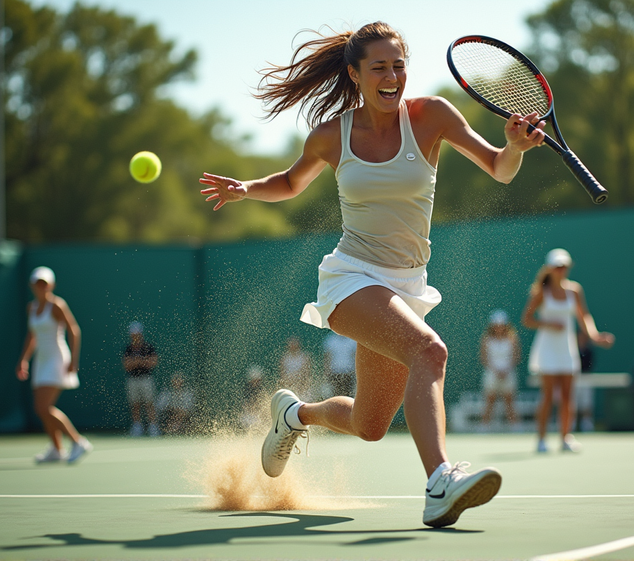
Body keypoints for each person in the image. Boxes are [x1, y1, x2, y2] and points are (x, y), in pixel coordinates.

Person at [197, 22, 545, 528]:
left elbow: (498, 167)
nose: (392, 76)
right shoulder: (331, 135)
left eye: (399, 65)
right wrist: (246, 188)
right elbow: (291, 182)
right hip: (351, 279)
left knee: (370, 424)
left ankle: (295, 415)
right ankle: (439, 482)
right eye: (379, 67)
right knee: (431, 351)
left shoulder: (432, 117)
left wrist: (513, 146)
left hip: (407, 284)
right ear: (355, 74)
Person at [522, 248, 614, 453]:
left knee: (567, 396)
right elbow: (526, 319)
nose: (561, 270)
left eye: (564, 267)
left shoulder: (575, 290)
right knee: (547, 395)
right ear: (549, 268)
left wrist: (595, 336)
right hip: (547, 348)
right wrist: (548, 324)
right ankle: (541, 440)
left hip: (566, 348)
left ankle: (565, 438)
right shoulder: (540, 292)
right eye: (557, 267)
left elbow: (584, 317)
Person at [15, 266, 91, 464]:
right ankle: (57, 450)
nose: (41, 288)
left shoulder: (57, 305)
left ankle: (78, 442)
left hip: (57, 358)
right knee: (41, 408)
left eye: (45, 284)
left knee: (43, 406)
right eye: (38, 284)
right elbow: (32, 336)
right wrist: (24, 359)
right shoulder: (31, 308)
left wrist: (74, 360)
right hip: (41, 360)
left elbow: (74, 330)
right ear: (32, 285)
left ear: (51, 286)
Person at [480, 310, 520, 428]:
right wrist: (496, 370)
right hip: (492, 372)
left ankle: (515, 427)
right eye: (496, 326)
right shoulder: (486, 339)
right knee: (490, 400)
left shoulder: (512, 338)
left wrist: (507, 369)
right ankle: (484, 426)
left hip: (508, 372)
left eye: (501, 325)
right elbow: (484, 357)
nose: (499, 328)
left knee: (509, 400)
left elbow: (516, 355)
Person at [123, 321, 159, 437]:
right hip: (133, 379)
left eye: (137, 334)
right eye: (133, 334)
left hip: (146, 378)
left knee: (149, 403)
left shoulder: (148, 347)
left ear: (141, 334)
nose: (135, 336)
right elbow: (126, 365)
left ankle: (153, 426)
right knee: (135, 404)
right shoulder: (128, 349)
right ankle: (137, 427)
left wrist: (138, 361)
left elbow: (153, 362)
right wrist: (142, 362)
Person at [323, 331, 357, 397]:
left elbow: (354, 357)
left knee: (348, 395)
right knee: (335, 394)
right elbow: (328, 357)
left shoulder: (352, 340)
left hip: (349, 372)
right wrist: (327, 371)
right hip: (335, 372)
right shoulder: (331, 339)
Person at [575, 331, 596, 432]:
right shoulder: (573, 350)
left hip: (586, 378)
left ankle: (587, 424)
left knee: (586, 403)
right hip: (573, 379)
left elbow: (589, 365)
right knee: (572, 402)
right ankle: (570, 424)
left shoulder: (588, 351)